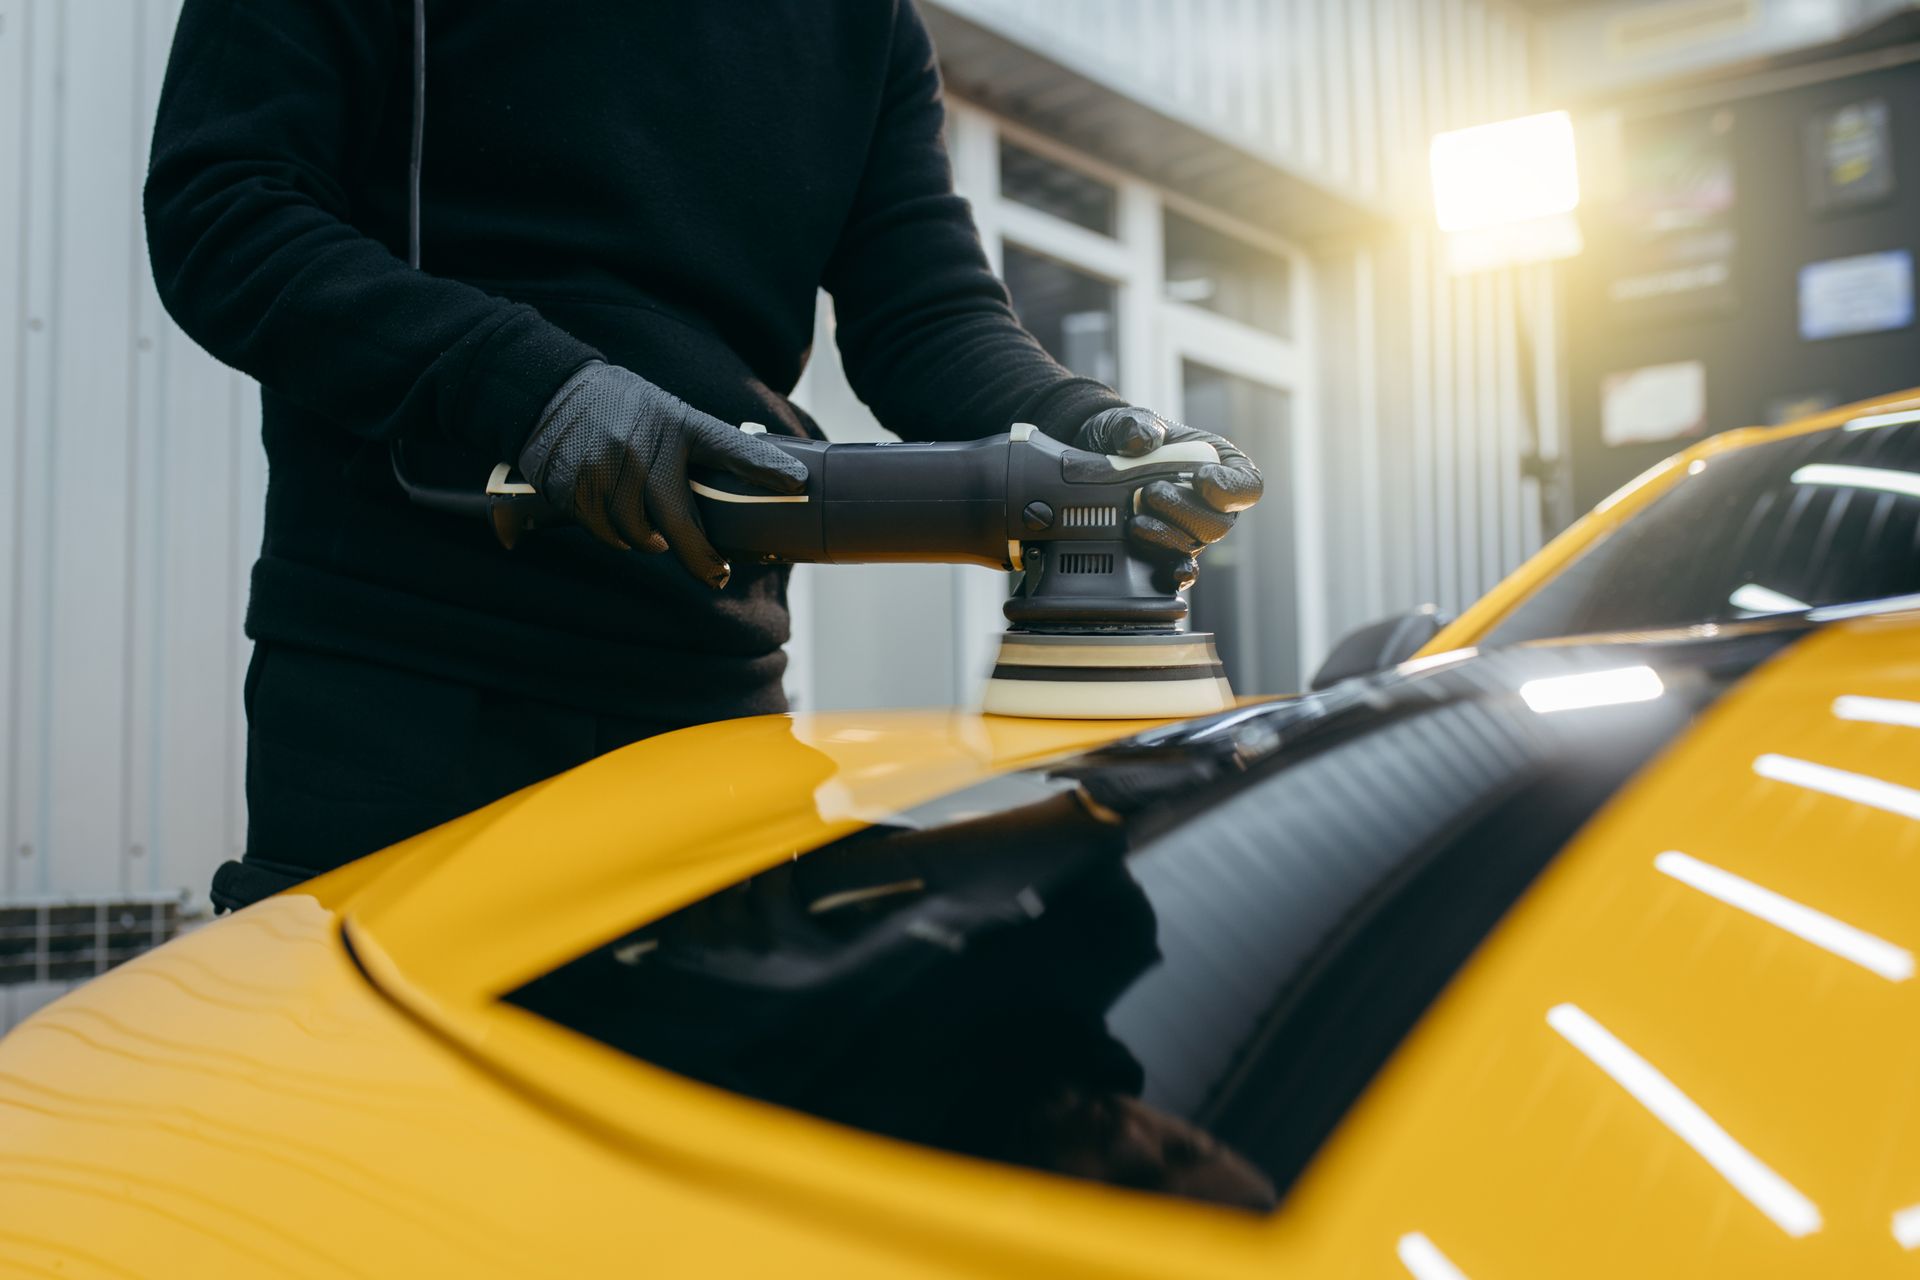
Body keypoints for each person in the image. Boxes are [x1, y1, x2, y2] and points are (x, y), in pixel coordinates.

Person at [144, 0, 1265, 911]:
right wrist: (532, 388)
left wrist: (1087, 425)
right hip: (404, 687)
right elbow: (227, 208)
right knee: (383, 1146)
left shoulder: (864, 24)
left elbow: (925, 313)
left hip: (710, 696)